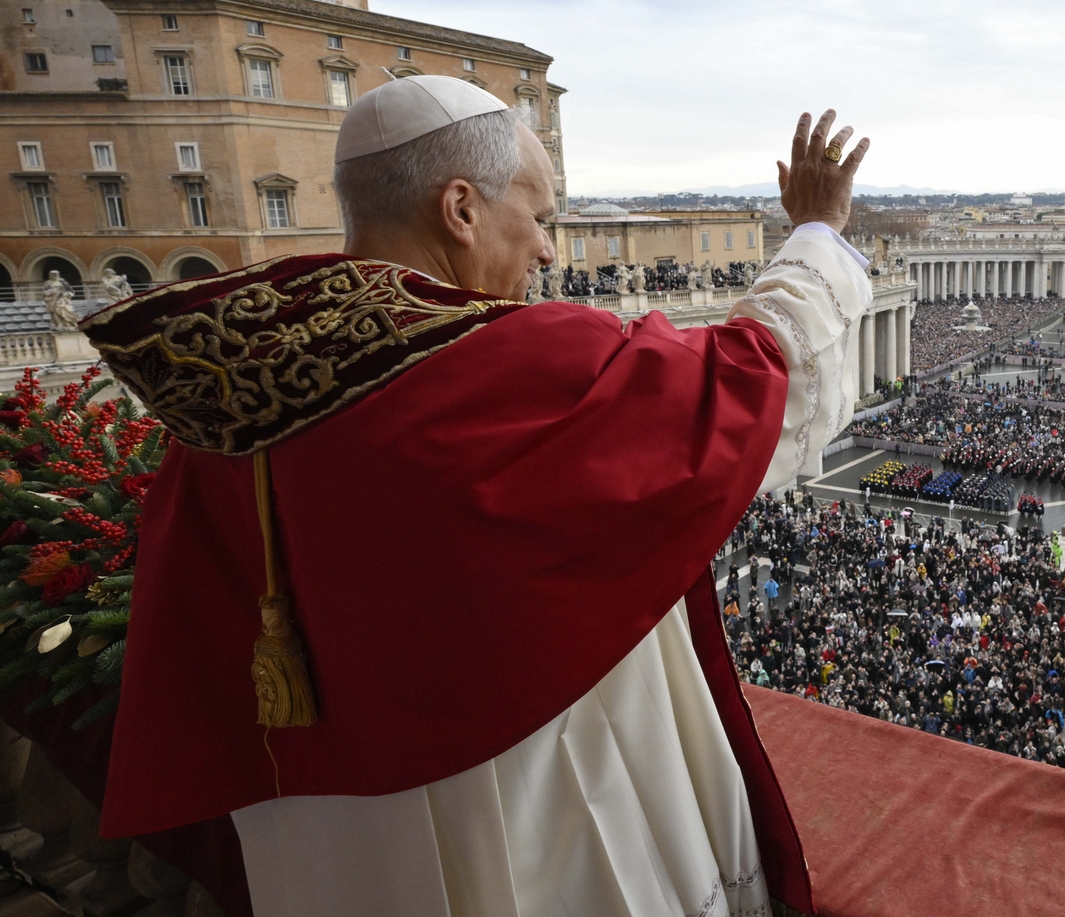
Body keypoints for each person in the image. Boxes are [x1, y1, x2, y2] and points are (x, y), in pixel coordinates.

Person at [82, 80, 875, 916]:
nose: (544, 251)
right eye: (536, 218)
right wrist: (818, 231)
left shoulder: (229, 397)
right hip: (530, 802)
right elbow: (757, 377)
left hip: (330, 839)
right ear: (459, 208)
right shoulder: (508, 363)